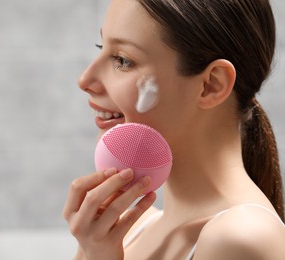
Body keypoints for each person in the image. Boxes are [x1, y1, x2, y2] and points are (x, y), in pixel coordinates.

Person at [62, 0, 285, 259]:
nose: (85, 80)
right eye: (102, 47)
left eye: (123, 60)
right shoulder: (127, 231)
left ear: (212, 84)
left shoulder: (242, 238)